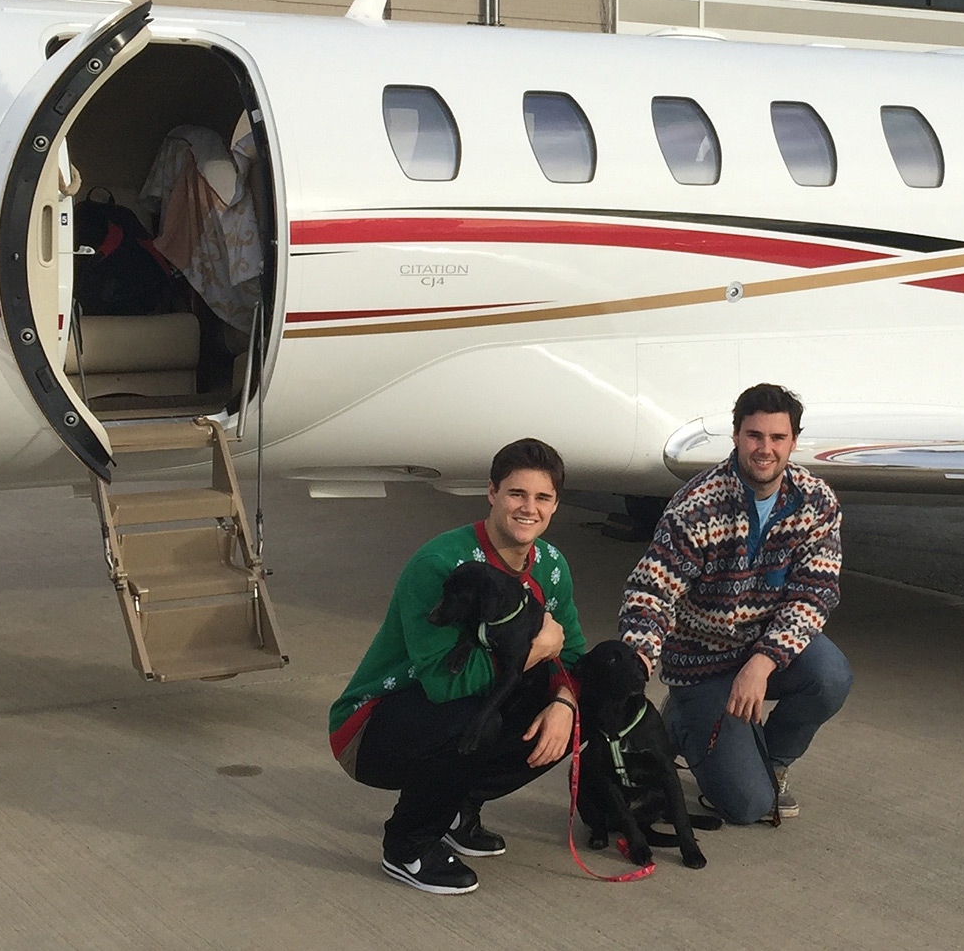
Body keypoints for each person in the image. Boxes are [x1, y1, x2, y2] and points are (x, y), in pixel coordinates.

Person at [328, 438, 586, 894]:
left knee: (592, 700)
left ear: (556, 505)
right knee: (474, 719)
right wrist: (538, 648)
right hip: (373, 726)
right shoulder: (440, 565)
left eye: (542, 497)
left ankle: (457, 806)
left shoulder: (551, 566)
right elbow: (446, 683)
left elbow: (575, 656)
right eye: (516, 494)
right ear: (491, 493)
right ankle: (407, 846)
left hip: (451, 710)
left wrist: (565, 702)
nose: (529, 508)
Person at [619, 383, 851, 824]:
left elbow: (815, 593)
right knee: (747, 808)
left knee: (831, 675)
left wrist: (762, 662)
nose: (765, 449)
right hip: (701, 661)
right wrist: (640, 661)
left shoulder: (815, 502)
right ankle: (683, 720)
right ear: (735, 436)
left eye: (777, 438)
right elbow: (650, 592)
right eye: (754, 436)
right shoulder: (697, 506)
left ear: (794, 442)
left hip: (763, 652)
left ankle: (773, 762)